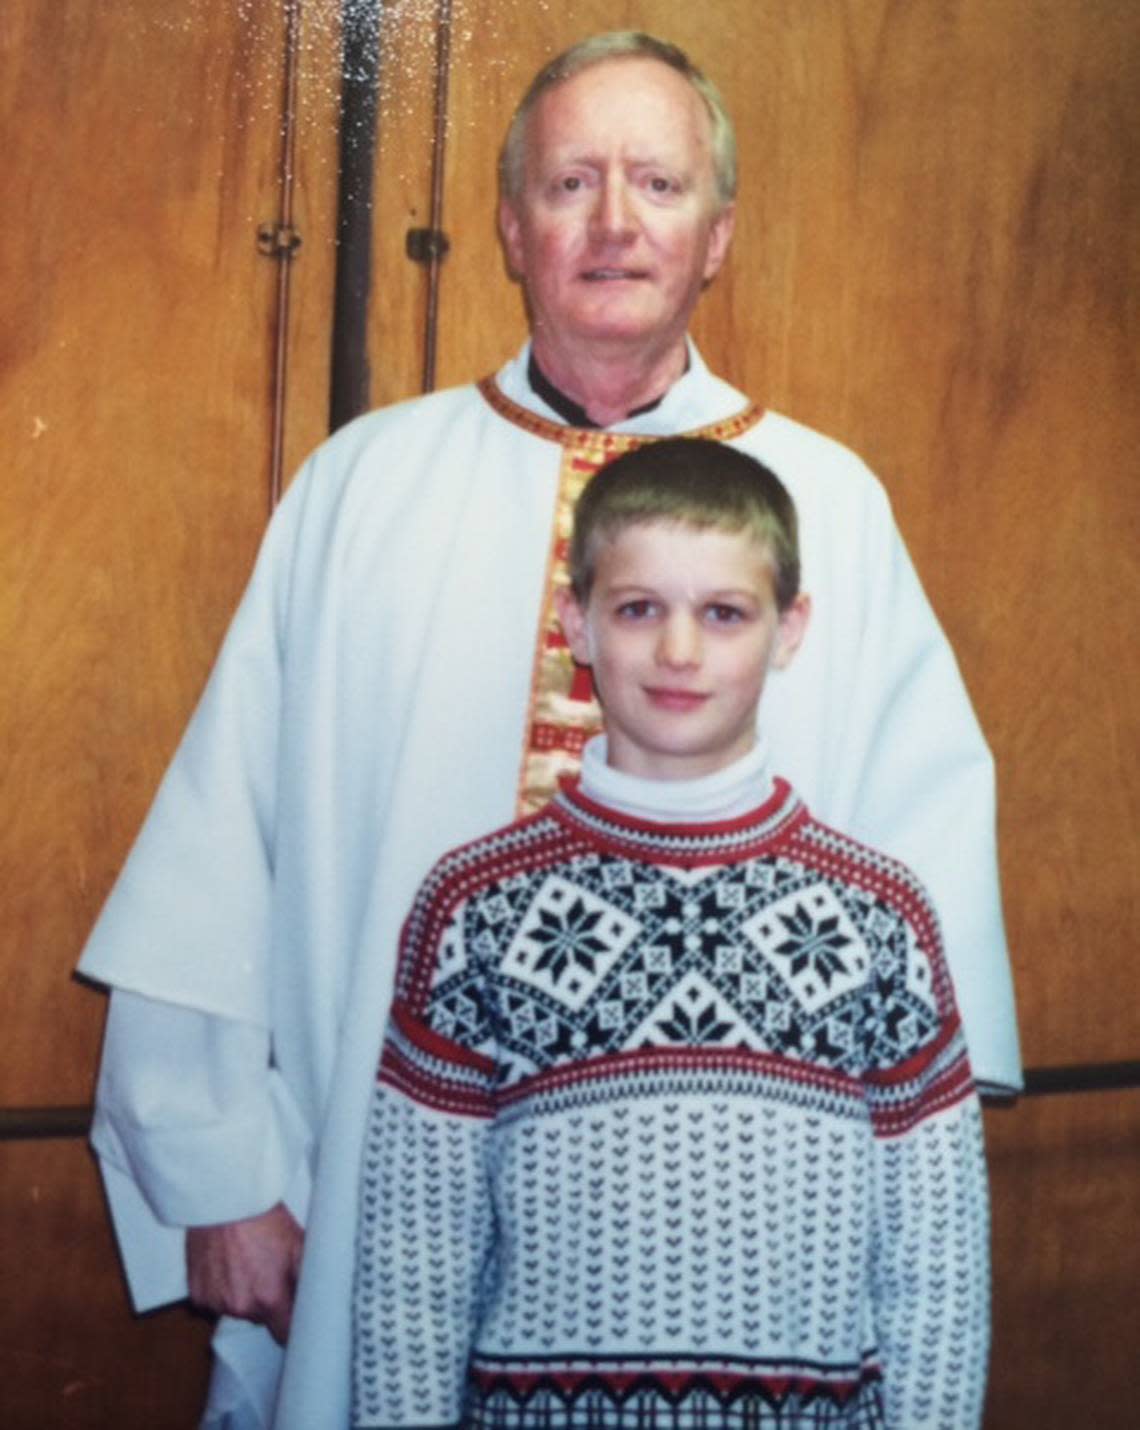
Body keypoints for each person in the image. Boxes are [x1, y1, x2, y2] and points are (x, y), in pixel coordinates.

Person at [77, 30, 1016, 1430]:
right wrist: (215, 1180)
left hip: (739, 1261)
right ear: (511, 228)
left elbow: (922, 930)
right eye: (573, 181)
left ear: (720, 235)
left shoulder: (832, 508)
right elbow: (223, 842)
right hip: (376, 1214)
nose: (617, 222)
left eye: (659, 181)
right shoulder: (362, 488)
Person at [352, 438, 990, 1430]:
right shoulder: (475, 905)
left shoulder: (878, 913)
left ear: (790, 629)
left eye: (724, 612)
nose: (680, 651)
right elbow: (412, 1266)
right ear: (578, 625)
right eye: (639, 607)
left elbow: (935, 1269)